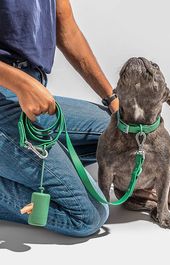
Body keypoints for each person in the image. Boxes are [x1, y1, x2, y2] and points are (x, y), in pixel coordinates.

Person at [0, 0, 119, 237]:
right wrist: (19, 83)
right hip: (11, 92)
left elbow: (68, 31)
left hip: (31, 95)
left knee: (122, 133)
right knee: (88, 216)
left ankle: (27, 163)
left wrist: (112, 98)